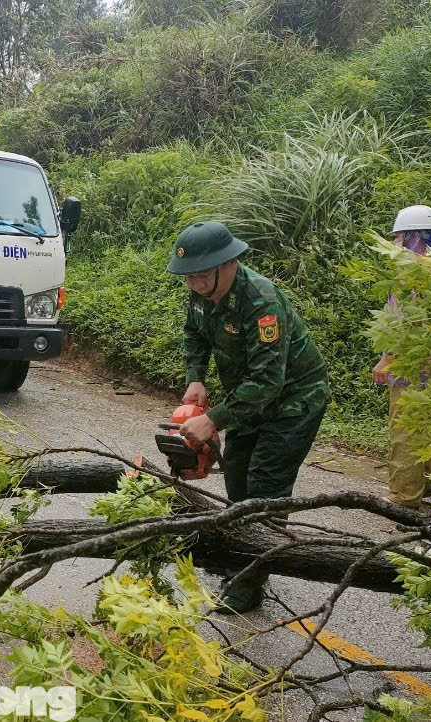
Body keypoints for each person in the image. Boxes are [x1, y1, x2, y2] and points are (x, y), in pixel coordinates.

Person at [168, 220, 330, 613]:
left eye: (202, 276)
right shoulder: (199, 291)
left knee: (264, 488)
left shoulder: (262, 302)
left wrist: (213, 419)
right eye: (188, 278)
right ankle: (241, 558)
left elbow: (267, 382)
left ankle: (250, 582)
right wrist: (196, 378)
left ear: (229, 264)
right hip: (247, 399)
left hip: (294, 402)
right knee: (237, 481)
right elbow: (194, 333)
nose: (195, 285)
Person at [371, 205, 431, 509]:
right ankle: (429, 484)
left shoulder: (412, 271)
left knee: (404, 428)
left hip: (411, 362)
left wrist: (387, 358)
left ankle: (404, 495)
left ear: (411, 235)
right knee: (421, 423)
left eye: (399, 235)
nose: (396, 242)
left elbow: (405, 321)